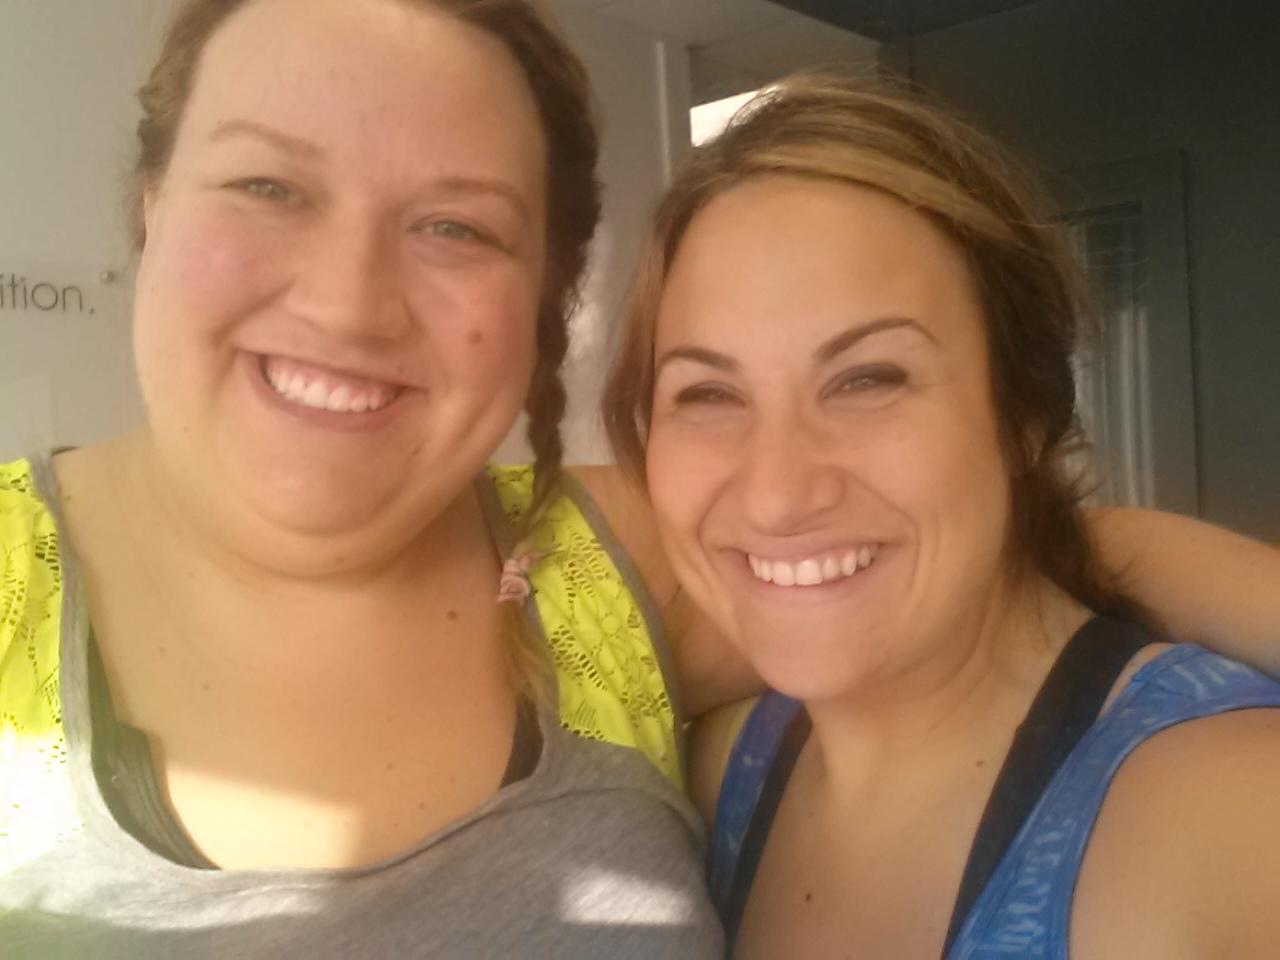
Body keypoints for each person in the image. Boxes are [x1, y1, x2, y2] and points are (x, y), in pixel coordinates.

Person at [0, 1, 1274, 954]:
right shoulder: (737, 741)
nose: (346, 300)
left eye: (453, 224)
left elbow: (997, 560)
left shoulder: (595, 569)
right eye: (268, 184)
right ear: (153, 204)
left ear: (544, 295)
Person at [604, 73, 1280, 958]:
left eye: (868, 379)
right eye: (706, 393)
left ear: (1023, 415)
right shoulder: (718, 772)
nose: (776, 493)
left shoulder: (1231, 823)